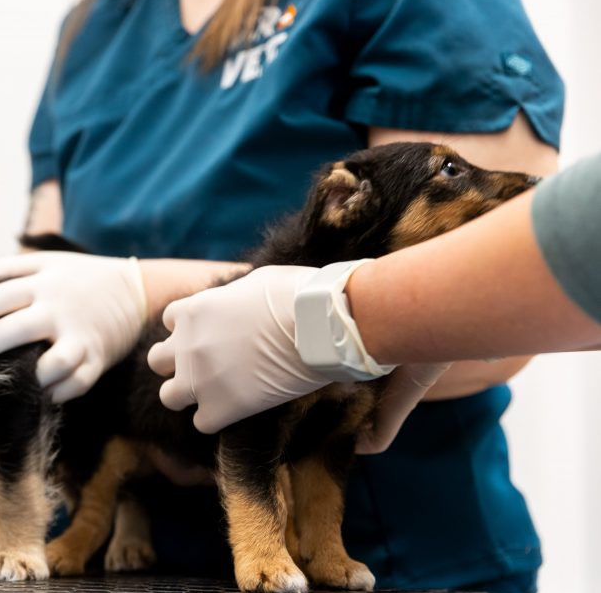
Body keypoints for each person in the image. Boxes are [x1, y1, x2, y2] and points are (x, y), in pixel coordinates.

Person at [0, 0, 564, 593]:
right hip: (118, 558)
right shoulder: (91, 29)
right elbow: (49, 272)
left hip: (405, 557)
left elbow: (516, 291)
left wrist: (145, 291)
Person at [148, 152, 601, 453]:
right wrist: (136, 285)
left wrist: (334, 315)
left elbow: (566, 250)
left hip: (401, 520)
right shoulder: (99, 24)